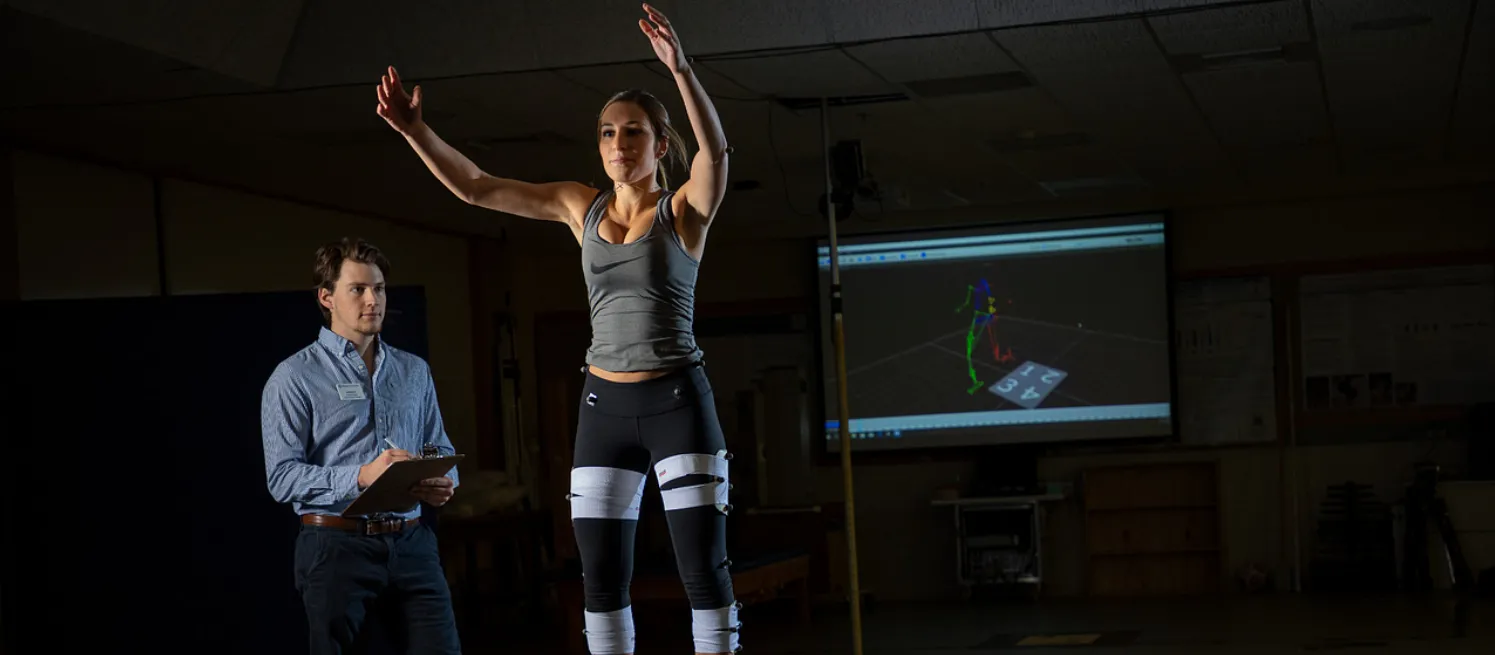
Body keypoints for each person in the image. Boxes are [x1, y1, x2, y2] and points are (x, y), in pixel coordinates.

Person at [377, 4, 735, 654]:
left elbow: (717, 151)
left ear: (659, 144)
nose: (618, 145)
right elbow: (477, 188)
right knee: (600, 578)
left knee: (702, 571)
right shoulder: (580, 204)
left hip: (677, 403)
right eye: (606, 133)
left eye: (632, 133)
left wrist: (681, 69)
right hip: (602, 406)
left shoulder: (683, 211)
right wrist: (415, 132)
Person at [260, 237, 463, 655]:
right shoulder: (293, 377)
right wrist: (360, 475)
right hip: (335, 549)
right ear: (326, 297)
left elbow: (437, 446)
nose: (373, 300)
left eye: (380, 288)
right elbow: (281, 478)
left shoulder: (414, 371)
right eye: (358, 289)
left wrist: (444, 481)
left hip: (412, 545)